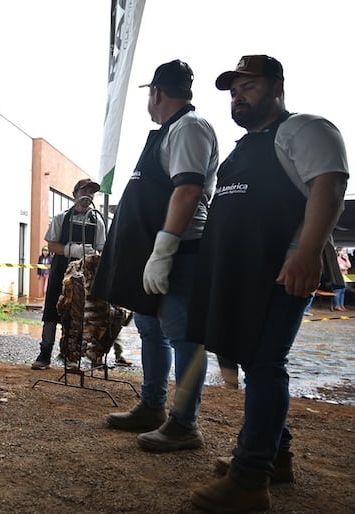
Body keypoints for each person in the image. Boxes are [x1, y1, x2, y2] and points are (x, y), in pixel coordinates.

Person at [188, 55, 348, 513]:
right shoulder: (244, 146)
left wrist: (304, 252)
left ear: (277, 85)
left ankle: (249, 479)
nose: (238, 96)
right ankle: (276, 458)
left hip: (282, 268)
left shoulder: (306, 129)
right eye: (234, 90)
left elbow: (329, 187)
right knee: (252, 356)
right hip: (242, 273)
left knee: (265, 362)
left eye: (249, 86)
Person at [91, 59, 219, 452]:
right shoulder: (167, 132)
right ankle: (152, 406)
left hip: (182, 254)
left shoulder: (189, 128)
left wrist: (164, 250)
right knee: (150, 329)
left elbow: (187, 190)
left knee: (185, 338)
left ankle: (185, 423)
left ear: (157, 93)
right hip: (154, 254)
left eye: (150, 93)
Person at [31, 178, 107, 370]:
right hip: (60, 271)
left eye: (91, 192)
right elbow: (51, 245)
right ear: (75, 195)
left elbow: (101, 248)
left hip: (84, 273)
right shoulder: (61, 218)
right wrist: (69, 250)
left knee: (78, 314)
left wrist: (91, 254)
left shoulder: (97, 220)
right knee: (51, 311)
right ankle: (45, 353)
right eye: (84, 191)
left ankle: (71, 355)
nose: (88, 196)